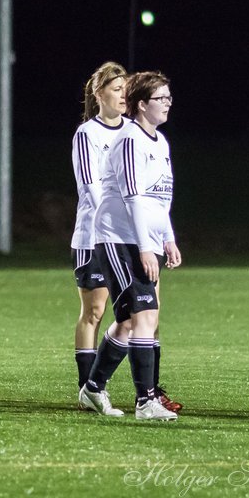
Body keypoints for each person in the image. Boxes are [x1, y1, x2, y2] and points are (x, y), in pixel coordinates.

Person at [81, 71, 180, 421]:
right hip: (117, 238)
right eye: (161, 99)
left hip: (141, 239)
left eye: (169, 98)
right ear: (141, 104)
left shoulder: (159, 141)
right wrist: (145, 247)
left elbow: (159, 198)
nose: (167, 104)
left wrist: (166, 237)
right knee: (143, 315)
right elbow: (134, 196)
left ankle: (93, 388)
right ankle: (145, 400)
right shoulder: (129, 140)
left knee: (128, 322)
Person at [70, 62, 128, 417]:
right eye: (116, 88)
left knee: (138, 311)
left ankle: (145, 387)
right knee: (94, 311)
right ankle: (85, 386)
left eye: (126, 89)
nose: (123, 95)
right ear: (99, 94)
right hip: (93, 237)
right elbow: (89, 186)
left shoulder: (134, 132)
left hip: (128, 237)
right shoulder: (87, 134)